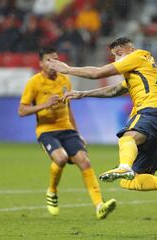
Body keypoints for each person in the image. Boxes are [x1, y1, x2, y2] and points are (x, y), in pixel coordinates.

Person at [48, 37, 157, 209]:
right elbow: (114, 90)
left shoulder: (139, 56)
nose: (116, 59)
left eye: (118, 54)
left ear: (130, 49)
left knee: (127, 138)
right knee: (129, 181)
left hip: (152, 112)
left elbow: (97, 73)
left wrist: (68, 69)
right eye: (114, 56)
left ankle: (124, 166)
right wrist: (83, 94)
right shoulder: (141, 71)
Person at [18, 47, 116, 219]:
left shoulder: (65, 80)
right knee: (61, 158)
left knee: (84, 161)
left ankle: (99, 205)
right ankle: (52, 191)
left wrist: (77, 133)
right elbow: (22, 110)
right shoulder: (34, 83)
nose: (53, 63)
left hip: (67, 128)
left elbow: (68, 108)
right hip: (47, 130)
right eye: (49, 60)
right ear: (41, 63)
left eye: (56, 59)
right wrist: (44, 105)